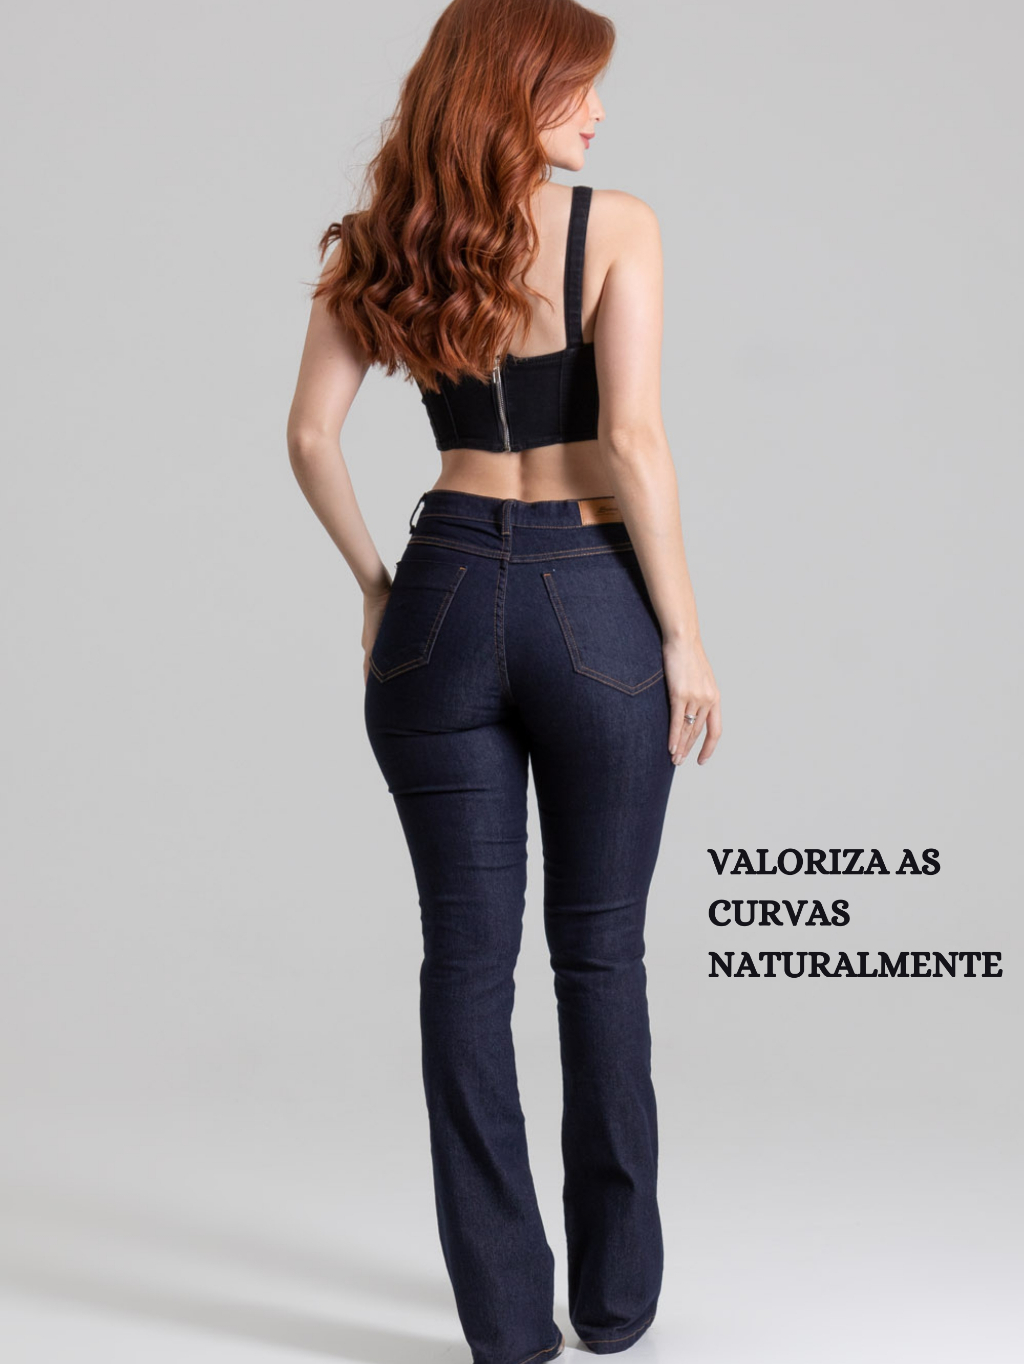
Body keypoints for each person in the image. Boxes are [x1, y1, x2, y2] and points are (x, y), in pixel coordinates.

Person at [286, 2, 721, 1359]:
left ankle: (504, 1323)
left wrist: (376, 585)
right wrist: (685, 635)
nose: (599, 113)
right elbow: (633, 442)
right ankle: (615, 1303)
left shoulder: (384, 241)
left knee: (464, 966)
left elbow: (309, 437)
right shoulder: (615, 227)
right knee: (600, 954)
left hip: (443, 590)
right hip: (591, 590)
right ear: (522, 89)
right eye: (582, 89)